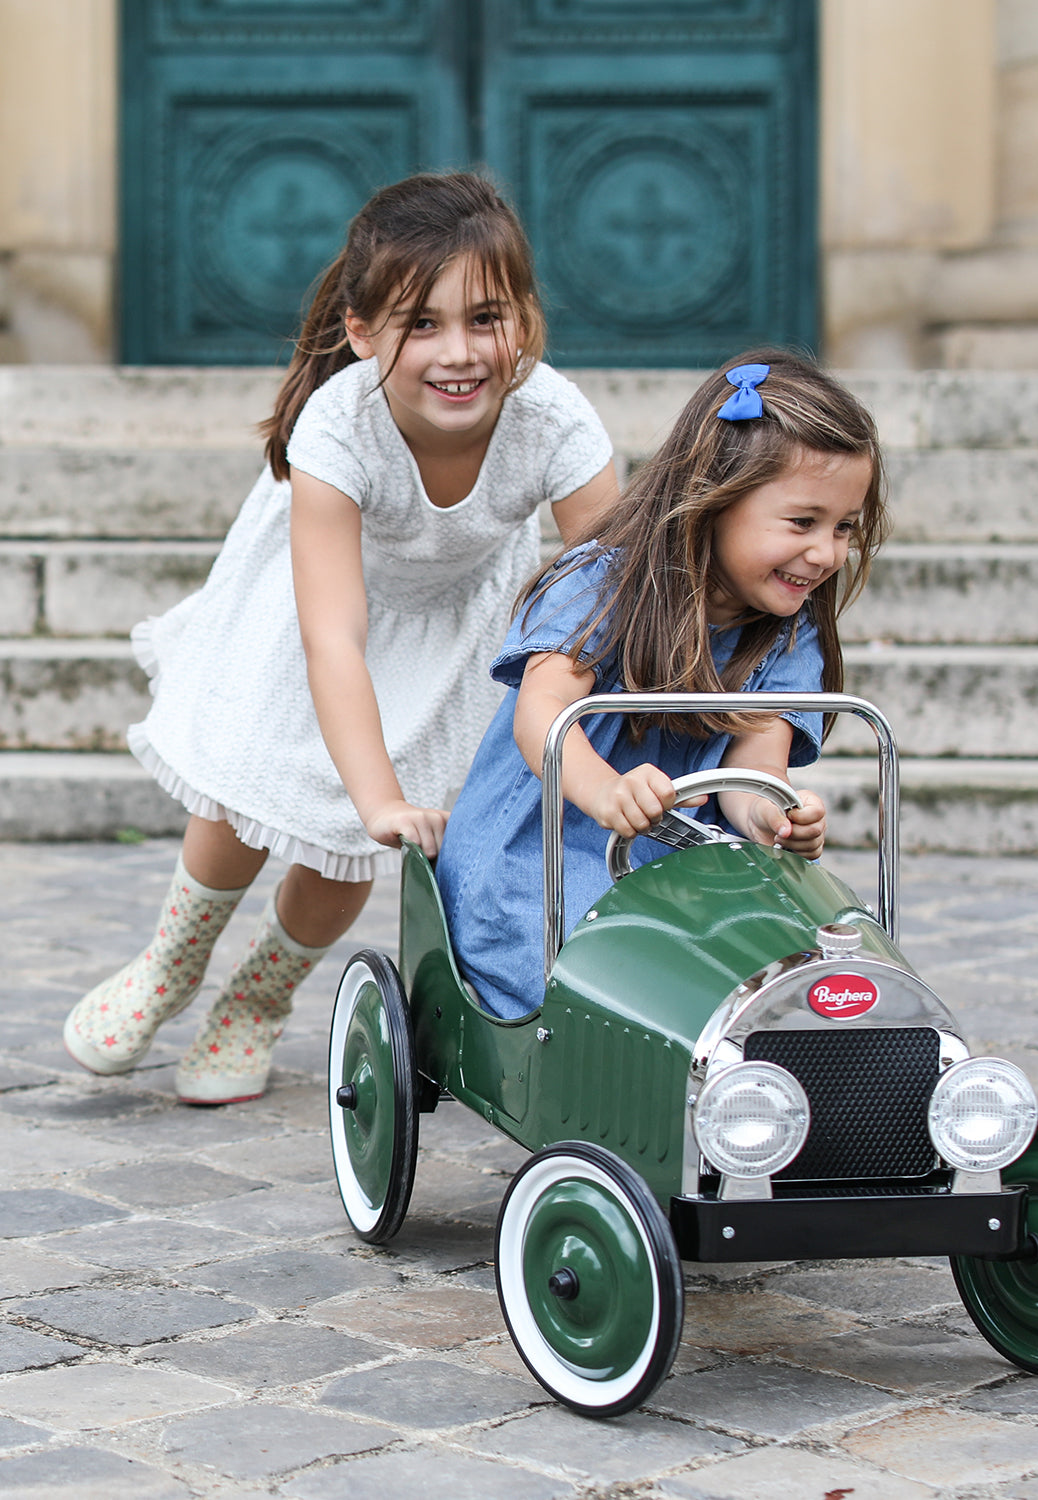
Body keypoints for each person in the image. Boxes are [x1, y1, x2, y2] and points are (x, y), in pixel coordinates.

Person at [63, 171, 617, 1102]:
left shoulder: (553, 419)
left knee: (352, 846)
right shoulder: (339, 425)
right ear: (362, 334)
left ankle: (258, 999)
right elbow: (333, 635)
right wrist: (374, 791)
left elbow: (616, 586)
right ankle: (171, 962)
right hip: (320, 605)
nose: (460, 352)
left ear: (524, 316)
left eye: (488, 318)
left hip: (459, 616)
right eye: (422, 323)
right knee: (248, 790)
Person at [436, 350, 889, 1019]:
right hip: (543, 856)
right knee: (599, 984)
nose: (826, 553)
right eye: (803, 523)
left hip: (682, 868)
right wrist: (605, 789)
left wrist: (771, 812)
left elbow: (750, 771)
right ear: (714, 502)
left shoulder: (788, 634)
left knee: (791, 966)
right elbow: (543, 713)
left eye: (843, 528)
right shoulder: (602, 584)